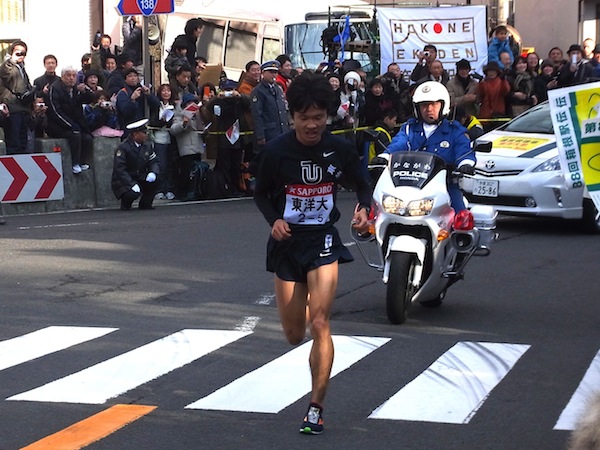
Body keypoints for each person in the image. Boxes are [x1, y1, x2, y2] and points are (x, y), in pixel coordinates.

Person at [253, 72, 371, 435]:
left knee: (320, 322)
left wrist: (364, 207)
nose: (311, 124)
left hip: (322, 241)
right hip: (287, 245)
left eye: (318, 117)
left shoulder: (340, 149)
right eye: (304, 117)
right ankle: (302, 303)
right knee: (293, 334)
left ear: (327, 116)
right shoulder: (276, 152)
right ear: (292, 116)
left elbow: (363, 181)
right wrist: (274, 220)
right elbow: (259, 193)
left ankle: (316, 407)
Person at [386, 81, 475, 212]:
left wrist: (465, 163)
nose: (428, 109)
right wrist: (385, 156)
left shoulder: (454, 130)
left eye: (434, 104)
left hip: (445, 185)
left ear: (443, 106)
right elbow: (399, 143)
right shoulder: (410, 128)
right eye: (424, 105)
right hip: (410, 183)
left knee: (460, 219)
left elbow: (464, 149)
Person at [204, 78, 252, 197]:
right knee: (224, 166)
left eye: (231, 90)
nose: (229, 93)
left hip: (237, 138)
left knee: (236, 165)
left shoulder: (239, 101)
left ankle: (236, 188)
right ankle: (225, 189)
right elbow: (208, 107)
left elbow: (250, 103)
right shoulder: (219, 101)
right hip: (223, 140)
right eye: (226, 90)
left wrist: (239, 96)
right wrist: (217, 97)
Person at [46, 66, 95, 173]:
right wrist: (70, 124)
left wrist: (85, 91)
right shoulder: (55, 88)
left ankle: (82, 161)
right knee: (75, 135)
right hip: (56, 125)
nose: (71, 78)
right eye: (68, 75)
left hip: (74, 122)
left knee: (87, 137)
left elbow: (91, 99)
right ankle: (75, 162)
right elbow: (55, 111)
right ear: (63, 77)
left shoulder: (76, 89)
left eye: (74, 76)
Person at [111, 119, 159, 210]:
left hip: (139, 176)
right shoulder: (123, 147)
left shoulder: (147, 146)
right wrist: (130, 184)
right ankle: (125, 204)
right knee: (132, 193)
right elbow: (120, 169)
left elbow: (154, 161)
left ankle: (145, 204)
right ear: (135, 134)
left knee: (155, 180)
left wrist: (153, 172)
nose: (146, 135)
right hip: (124, 180)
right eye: (144, 133)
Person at [0, 40, 35, 154]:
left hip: (23, 110)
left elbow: (27, 86)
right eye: (18, 53)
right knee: (14, 144)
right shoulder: (7, 66)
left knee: (23, 144)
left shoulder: (21, 68)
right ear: (12, 52)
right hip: (12, 110)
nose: (20, 56)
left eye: (23, 53)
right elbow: (18, 87)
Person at [249, 60, 290, 157]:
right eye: (271, 72)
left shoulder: (277, 89)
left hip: (281, 131)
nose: (274, 75)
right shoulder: (258, 91)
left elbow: (282, 111)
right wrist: (260, 136)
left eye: (275, 72)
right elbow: (257, 115)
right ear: (263, 73)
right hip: (268, 133)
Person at [169, 93, 205, 200]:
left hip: (197, 147)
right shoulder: (179, 115)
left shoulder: (197, 115)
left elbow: (200, 128)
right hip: (186, 148)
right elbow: (173, 130)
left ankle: (194, 191)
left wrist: (199, 117)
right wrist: (184, 123)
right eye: (189, 103)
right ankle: (182, 192)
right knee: (186, 171)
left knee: (197, 170)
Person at [148, 83, 177, 200]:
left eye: (168, 91)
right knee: (161, 165)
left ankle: (169, 189)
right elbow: (152, 123)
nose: (166, 93)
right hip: (159, 139)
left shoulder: (174, 106)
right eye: (163, 91)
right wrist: (163, 121)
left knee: (171, 165)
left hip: (171, 139)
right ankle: (159, 190)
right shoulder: (156, 106)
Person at [115, 68, 160, 138]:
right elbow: (125, 111)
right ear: (125, 80)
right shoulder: (123, 93)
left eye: (135, 76)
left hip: (143, 127)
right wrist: (132, 99)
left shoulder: (143, 90)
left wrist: (149, 95)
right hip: (129, 130)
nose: (133, 78)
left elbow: (156, 105)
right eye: (130, 76)